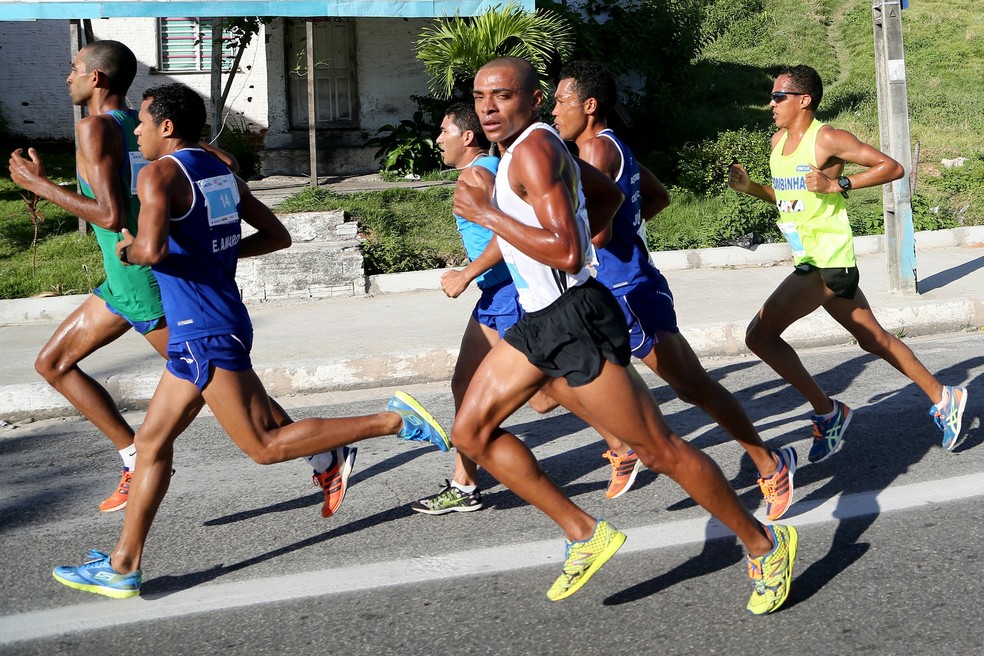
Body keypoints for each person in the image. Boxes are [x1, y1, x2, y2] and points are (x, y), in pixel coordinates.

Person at [51, 83, 450, 599]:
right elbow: (275, 235)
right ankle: (123, 566)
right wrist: (214, 256)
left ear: (167, 127)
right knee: (150, 445)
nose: (140, 133)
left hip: (203, 332)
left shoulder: (159, 174)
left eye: (146, 124)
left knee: (262, 447)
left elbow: (149, 249)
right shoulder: (220, 172)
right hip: (214, 324)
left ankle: (394, 420)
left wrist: (127, 251)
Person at [451, 57, 797, 613]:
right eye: (480, 97)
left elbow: (566, 250)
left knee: (658, 450)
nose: (488, 107)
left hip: (575, 318)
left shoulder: (537, 151)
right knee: (470, 433)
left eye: (502, 95)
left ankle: (763, 544)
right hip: (538, 320)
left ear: (532, 99)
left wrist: (489, 214)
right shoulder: (535, 147)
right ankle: (586, 532)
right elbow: (607, 200)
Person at [550, 60, 797, 521]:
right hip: (600, 289)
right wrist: (628, 229)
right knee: (551, 381)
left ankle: (770, 464)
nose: (554, 109)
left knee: (692, 387)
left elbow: (596, 235)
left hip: (628, 289)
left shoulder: (597, 152)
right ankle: (622, 443)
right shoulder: (600, 147)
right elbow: (657, 197)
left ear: (588, 105)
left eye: (562, 100)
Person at [411, 102, 645, 514]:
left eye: (445, 131)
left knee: (544, 388)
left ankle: (622, 441)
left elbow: (505, 236)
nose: (438, 139)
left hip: (506, 293)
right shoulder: (486, 167)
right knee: (468, 386)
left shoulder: (479, 173)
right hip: (493, 295)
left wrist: (466, 274)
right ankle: (464, 485)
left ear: (467, 137)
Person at [728, 64, 968, 460]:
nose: (770, 103)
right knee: (873, 339)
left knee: (759, 336)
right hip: (809, 257)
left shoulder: (828, 139)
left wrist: (838, 183)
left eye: (777, 97)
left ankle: (828, 411)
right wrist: (752, 188)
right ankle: (945, 397)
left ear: (803, 100)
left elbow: (892, 167)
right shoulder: (777, 142)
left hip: (827, 260)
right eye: (771, 97)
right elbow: (790, 199)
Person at [7, 40, 167, 513]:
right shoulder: (139, 122)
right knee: (52, 363)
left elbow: (108, 214)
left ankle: (323, 449)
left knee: (220, 384)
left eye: (74, 68)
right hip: (122, 281)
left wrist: (38, 185)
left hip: (137, 279)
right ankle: (133, 454)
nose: (67, 76)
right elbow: (218, 161)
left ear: (96, 77)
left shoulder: (93, 127)